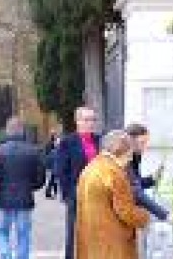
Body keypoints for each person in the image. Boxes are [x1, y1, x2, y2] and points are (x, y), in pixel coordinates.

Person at [75, 130, 150, 259]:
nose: (131, 158)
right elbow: (126, 212)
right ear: (121, 150)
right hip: (113, 244)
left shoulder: (90, 168)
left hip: (91, 240)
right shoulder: (114, 173)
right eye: (130, 153)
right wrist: (145, 217)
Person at [0, 116, 46, 259]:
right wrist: (31, 187)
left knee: (2, 231)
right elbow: (41, 178)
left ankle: (6, 255)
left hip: (3, 198)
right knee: (23, 234)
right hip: (25, 199)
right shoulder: (33, 151)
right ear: (22, 131)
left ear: (7, 131)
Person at [57, 106, 101, 259]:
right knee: (74, 232)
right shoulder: (67, 142)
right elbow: (61, 171)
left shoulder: (99, 140)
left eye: (92, 120)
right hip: (77, 194)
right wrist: (68, 195)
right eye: (86, 120)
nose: (90, 123)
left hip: (98, 195)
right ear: (77, 121)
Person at [125, 123, 169, 221]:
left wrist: (152, 179)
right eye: (142, 143)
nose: (145, 147)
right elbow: (136, 192)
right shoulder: (124, 160)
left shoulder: (135, 156)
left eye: (146, 142)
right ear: (130, 141)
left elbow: (135, 183)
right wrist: (165, 215)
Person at [44, 130, 60, 199]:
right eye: (54, 134)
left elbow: (46, 155)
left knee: (52, 180)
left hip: (52, 165)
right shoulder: (51, 145)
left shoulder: (50, 145)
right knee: (52, 180)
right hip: (53, 165)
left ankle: (50, 192)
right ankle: (50, 192)